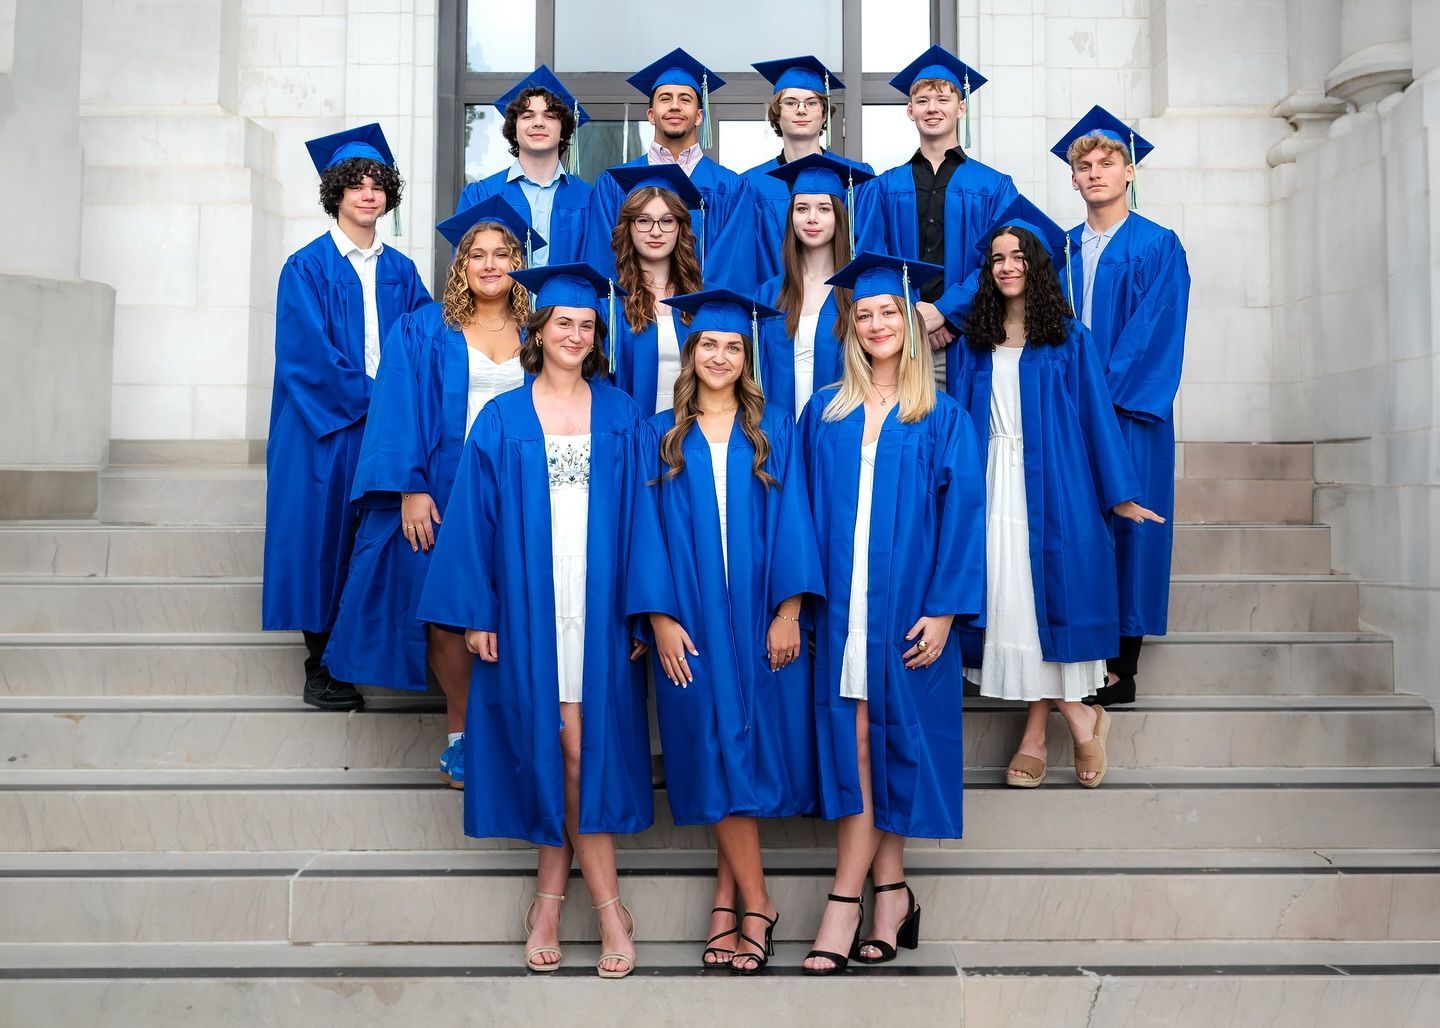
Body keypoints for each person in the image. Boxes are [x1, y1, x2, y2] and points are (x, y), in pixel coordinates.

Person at [415, 262, 650, 980]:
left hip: (601, 599)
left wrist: (645, 611)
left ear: (595, 336)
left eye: (585, 325)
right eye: (561, 323)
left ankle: (553, 900)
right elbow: (474, 525)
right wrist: (477, 609)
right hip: (526, 599)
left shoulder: (623, 413)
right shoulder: (502, 418)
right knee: (558, 744)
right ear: (538, 332)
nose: (574, 334)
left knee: (579, 745)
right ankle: (604, 907)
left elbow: (647, 521)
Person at [797, 252, 985, 974]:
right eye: (865, 314)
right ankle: (891, 891)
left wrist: (944, 611)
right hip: (843, 609)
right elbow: (804, 516)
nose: (877, 323)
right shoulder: (826, 412)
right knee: (859, 740)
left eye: (888, 313)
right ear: (852, 326)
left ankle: (846, 902)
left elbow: (964, 518)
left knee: (891, 738)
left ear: (909, 323)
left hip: (910, 607)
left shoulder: (943, 415)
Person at [628, 288, 824, 975]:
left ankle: (732, 902)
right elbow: (641, 534)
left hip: (758, 616)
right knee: (712, 745)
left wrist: (789, 610)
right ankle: (757, 901)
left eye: (732, 346)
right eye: (707, 344)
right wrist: (659, 618)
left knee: (738, 750)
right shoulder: (655, 433)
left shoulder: (776, 428)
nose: (719, 355)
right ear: (690, 353)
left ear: (748, 356)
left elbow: (798, 515)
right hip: (691, 618)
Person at [323, 196, 533, 786]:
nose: (491, 264)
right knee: (446, 614)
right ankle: (463, 734)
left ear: (519, 262)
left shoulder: (541, 330)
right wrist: (410, 488)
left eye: (503, 253)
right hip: (446, 486)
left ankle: (510, 729)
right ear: (460, 265)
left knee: (515, 606)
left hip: (522, 489)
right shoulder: (421, 327)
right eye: (478, 255)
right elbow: (397, 409)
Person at [952, 203, 1161, 788]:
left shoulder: (1069, 338)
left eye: (1019, 257)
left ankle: (1038, 735)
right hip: (993, 482)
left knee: (1041, 605)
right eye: (997, 258)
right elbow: (959, 421)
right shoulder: (974, 340)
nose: (1007, 266)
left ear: (1039, 265)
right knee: (1013, 606)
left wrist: (1119, 493)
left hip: (1056, 483)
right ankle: (1081, 720)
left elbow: (1097, 418)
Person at [263, 123, 430, 712]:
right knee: (321, 536)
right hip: (324, 429)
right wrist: (384, 400)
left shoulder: (404, 272)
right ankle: (320, 664)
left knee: (374, 537)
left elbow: (426, 342)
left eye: (377, 184)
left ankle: (365, 650)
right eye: (355, 184)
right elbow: (307, 361)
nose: (367, 193)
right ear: (334, 193)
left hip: (385, 428)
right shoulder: (304, 268)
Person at [1051, 106, 1190, 707]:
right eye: (1085, 165)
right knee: (1079, 526)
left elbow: (1155, 331)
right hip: (1068, 410)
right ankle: (1081, 649)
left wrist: (1100, 399)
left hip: (1128, 413)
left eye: (1108, 162)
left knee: (1131, 529)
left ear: (1129, 171)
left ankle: (1121, 669)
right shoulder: (1057, 250)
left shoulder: (1159, 245)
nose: (1096, 172)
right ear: (1073, 178)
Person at [853, 46, 1019, 395]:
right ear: (909, 110)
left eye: (943, 99)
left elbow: (1001, 263)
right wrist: (913, 318)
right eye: (923, 99)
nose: (933, 108)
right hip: (901, 342)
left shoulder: (994, 186)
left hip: (972, 337)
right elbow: (874, 258)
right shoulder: (883, 187)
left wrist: (946, 313)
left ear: (961, 108)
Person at [709, 56, 872, 292]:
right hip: (773, 310)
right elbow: (740, 262)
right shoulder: (751, 185)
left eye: (812, 102)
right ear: (776, 113)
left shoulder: (857, 179)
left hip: (840, 309)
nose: (802, 110)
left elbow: (868, 248)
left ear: (824, 114)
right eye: (791, 102)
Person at [581, 48, 747, 281]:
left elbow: (732, 265)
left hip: (704, 314)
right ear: (651, 114)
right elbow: (603, 258)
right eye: (665, 98)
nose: (675, 106)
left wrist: (701, 309)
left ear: (700, 116)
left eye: (685, 99)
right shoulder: (614, 184)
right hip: (631, 312)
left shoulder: (730, 187)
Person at [756, 152, 874, 415]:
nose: (812, 218)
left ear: (840, 217)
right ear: (791, 217)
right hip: (777, 430)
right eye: (802, 208)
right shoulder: (768, 294)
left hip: (839, 427)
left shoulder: (857, 292)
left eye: (824, 209)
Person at [455, 65, 592, 267]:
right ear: (514, 130)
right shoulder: (481, 196)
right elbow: (464, 270)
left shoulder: (589, 198)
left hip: (569, 300)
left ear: (563, 130)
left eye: (550, 116)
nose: (538, 123)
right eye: (527, 116)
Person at [603, 164, 706, 416]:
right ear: (628, 227)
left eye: (667, 221)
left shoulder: (702, 300)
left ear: (681, 227)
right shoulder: (609, 304)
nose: (656, 231)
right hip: (631, 436)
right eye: (644, 221)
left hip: (693, 438)